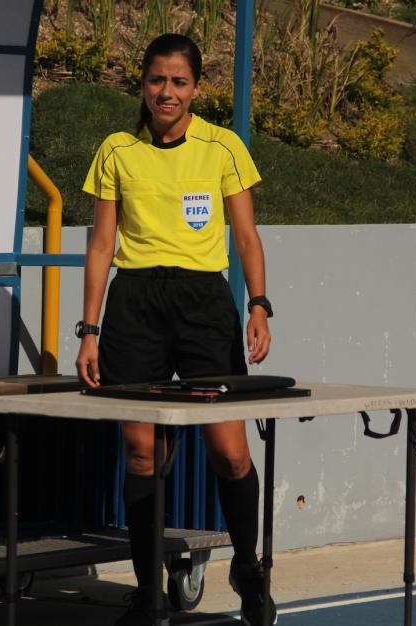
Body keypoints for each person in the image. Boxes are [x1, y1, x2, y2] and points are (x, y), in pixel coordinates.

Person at [75, 33, 277, 626]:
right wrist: (90, 329)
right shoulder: (117, 150)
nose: (167, 92)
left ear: (196, 88)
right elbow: (101, 244)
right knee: (142, 450)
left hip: (203, 304)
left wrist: (259, 306)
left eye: (180, 82)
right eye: (158, 80)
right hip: (134, 304)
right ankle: (147, 591)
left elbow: (245, 238)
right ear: (143, 83)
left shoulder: (223, 147)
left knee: (229, 451)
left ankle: (247, 567)